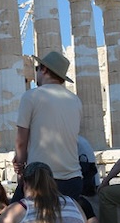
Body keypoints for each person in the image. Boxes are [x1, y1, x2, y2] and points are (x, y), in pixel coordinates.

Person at [13, 51, 83, 200]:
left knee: (10, 220)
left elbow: (21, 141)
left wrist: (20, 165)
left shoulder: (31, 96)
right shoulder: (76, 100)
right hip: (73, 178)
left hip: (40, 179)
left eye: (37, 68)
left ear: (44, 69)